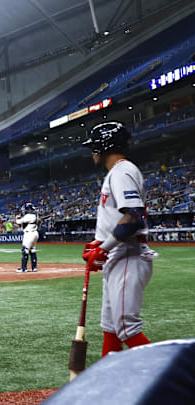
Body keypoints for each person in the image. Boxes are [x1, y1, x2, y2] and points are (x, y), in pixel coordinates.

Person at [82, 121, 156, 357]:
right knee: (111, 329)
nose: (92, 151)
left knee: (127, 329)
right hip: (118, 257)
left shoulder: (122, 171)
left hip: (127, 256)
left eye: (95, 146)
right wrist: (100, 243)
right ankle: (110, 386)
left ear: (106, 146)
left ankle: (172, 385)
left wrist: (103, 249)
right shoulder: (117, 172)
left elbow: (134, 216)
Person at [15, 202, 39, 272]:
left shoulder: (29, 215)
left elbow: (19, 222)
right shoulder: (34, 215)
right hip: (34, 233)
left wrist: (17, 218)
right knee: (32, 250)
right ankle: (34, 267)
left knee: (25, 250)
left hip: (29, 234)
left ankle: (23, 268)